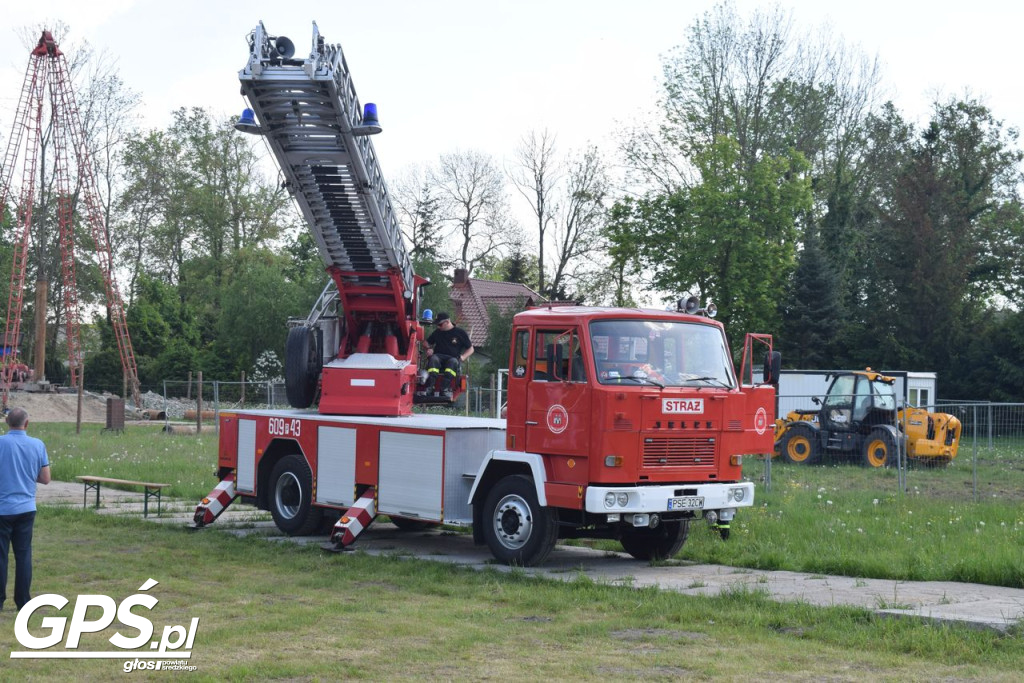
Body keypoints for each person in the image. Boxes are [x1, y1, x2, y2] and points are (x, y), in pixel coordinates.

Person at [0, 407, 50, 612]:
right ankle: (23, 600)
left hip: (2, 508)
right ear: (26, 423)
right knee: (23, 555)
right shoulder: (37, 445)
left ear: (6, 423)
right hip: (27, 507)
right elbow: (45, 478)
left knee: (1, 556)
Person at [424, 312, 473, 398]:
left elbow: (471, 349)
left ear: (447, 322)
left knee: (453, 362)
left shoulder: (460, 333)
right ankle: (430, 387)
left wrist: (463, 357)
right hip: (438, 357)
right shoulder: (437, 332)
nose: (438, 327)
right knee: (433, 359)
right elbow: (426, 343)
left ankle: (445, 389)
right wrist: (429, 348)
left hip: (452, 359)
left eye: (440, 324)